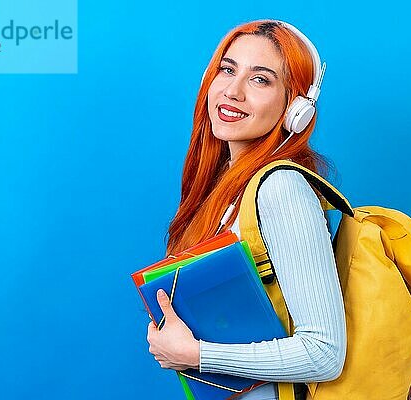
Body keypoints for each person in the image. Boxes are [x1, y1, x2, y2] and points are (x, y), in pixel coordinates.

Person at [146, 19, 346, 400]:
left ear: (296, 108)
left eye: (260, 79)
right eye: (227, 69)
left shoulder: (281, 188)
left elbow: (325, 353)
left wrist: (196, 354)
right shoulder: (229, 189)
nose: (232, 91)